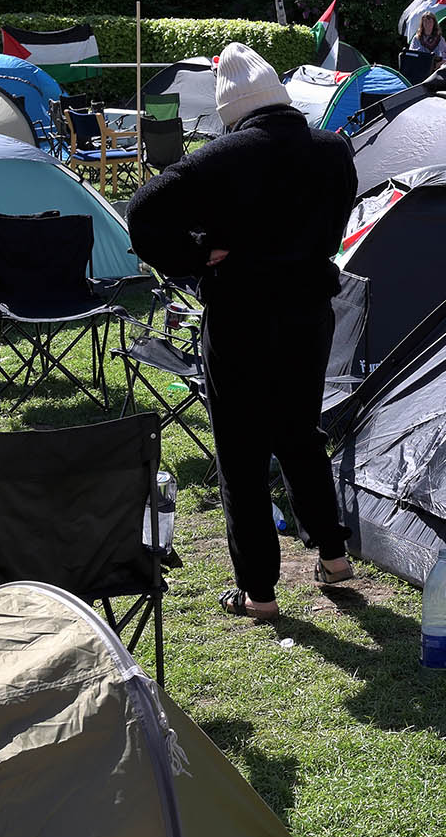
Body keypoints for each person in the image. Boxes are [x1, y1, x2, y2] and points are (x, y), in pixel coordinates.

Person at [127, 43, 359, 620]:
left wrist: (196, 253)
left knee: (242, 452)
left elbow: (141, 213)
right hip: (310, 312)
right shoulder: (333, 150)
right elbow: (339, 217)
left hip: (242, 317)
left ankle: (258, 592)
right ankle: (334, 557)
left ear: (231, 108)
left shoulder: (220, 157)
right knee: (301, 433)